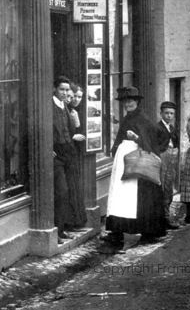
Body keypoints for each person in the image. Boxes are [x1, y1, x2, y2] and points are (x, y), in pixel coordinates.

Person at [102, 86, 167, 252]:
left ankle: (122, 232)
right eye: (125, 101)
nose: (127, 104)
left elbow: (155, 136)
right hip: (125, 160)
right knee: (123, 195)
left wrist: (137, 138)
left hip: (135, 160)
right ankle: (119, 231)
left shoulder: (142, 118)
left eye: (130, 101)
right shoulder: (129, 117)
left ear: (137, 101)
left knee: (128, 196)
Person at [52, 76, 84, 243]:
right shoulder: (48, 106)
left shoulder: (64, 106)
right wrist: (47, 149)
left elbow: (67, 129)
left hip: (68, 153)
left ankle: (62, 229)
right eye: (61, 90)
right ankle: (55, 232)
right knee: (61, 191)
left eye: (66, 90)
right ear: (55, 89)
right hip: (55, 155)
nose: (64, 93)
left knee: (68, 191)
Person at [154, 101, 181, 229]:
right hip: (162, 157)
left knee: (169, 185)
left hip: (172, 156)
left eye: (171, 114)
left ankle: (166, 216)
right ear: (161, 113)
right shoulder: (157, 127)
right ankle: (162, 218)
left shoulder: (172, 128)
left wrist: (175, 151)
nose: (169, 116)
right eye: (166, 113)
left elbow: (175, 142)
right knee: (162, 185)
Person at [65, 82, 87, 230]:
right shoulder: (66, 111)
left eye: (80, 97)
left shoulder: (74, 112)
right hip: (67, 153)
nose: (77, 100)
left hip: (74, 153)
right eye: (75, 96)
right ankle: (71, 221)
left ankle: (77, 220)